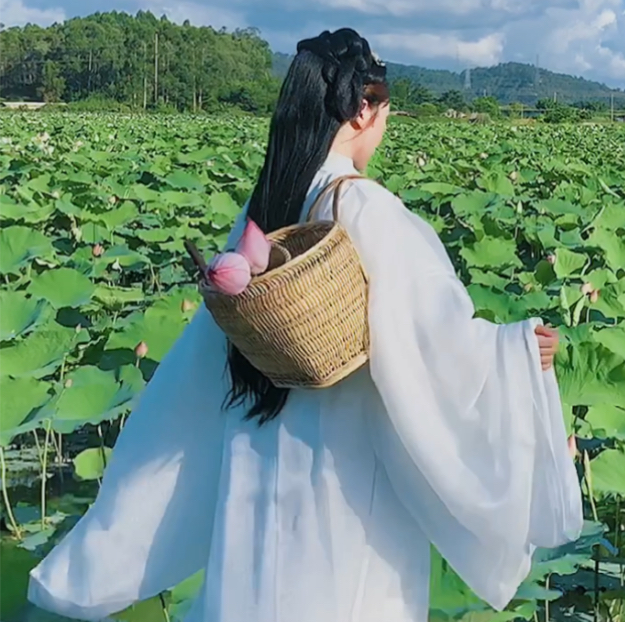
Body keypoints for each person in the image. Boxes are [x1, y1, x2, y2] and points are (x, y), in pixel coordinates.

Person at [26, 27, 583, 622]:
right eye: (384, 113)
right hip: (347, 478)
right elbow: (437, 344)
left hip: (257, 456)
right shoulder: (366, 210)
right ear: (364, 108)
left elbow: (198, 367)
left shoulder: (265, 209)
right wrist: (516, 351)